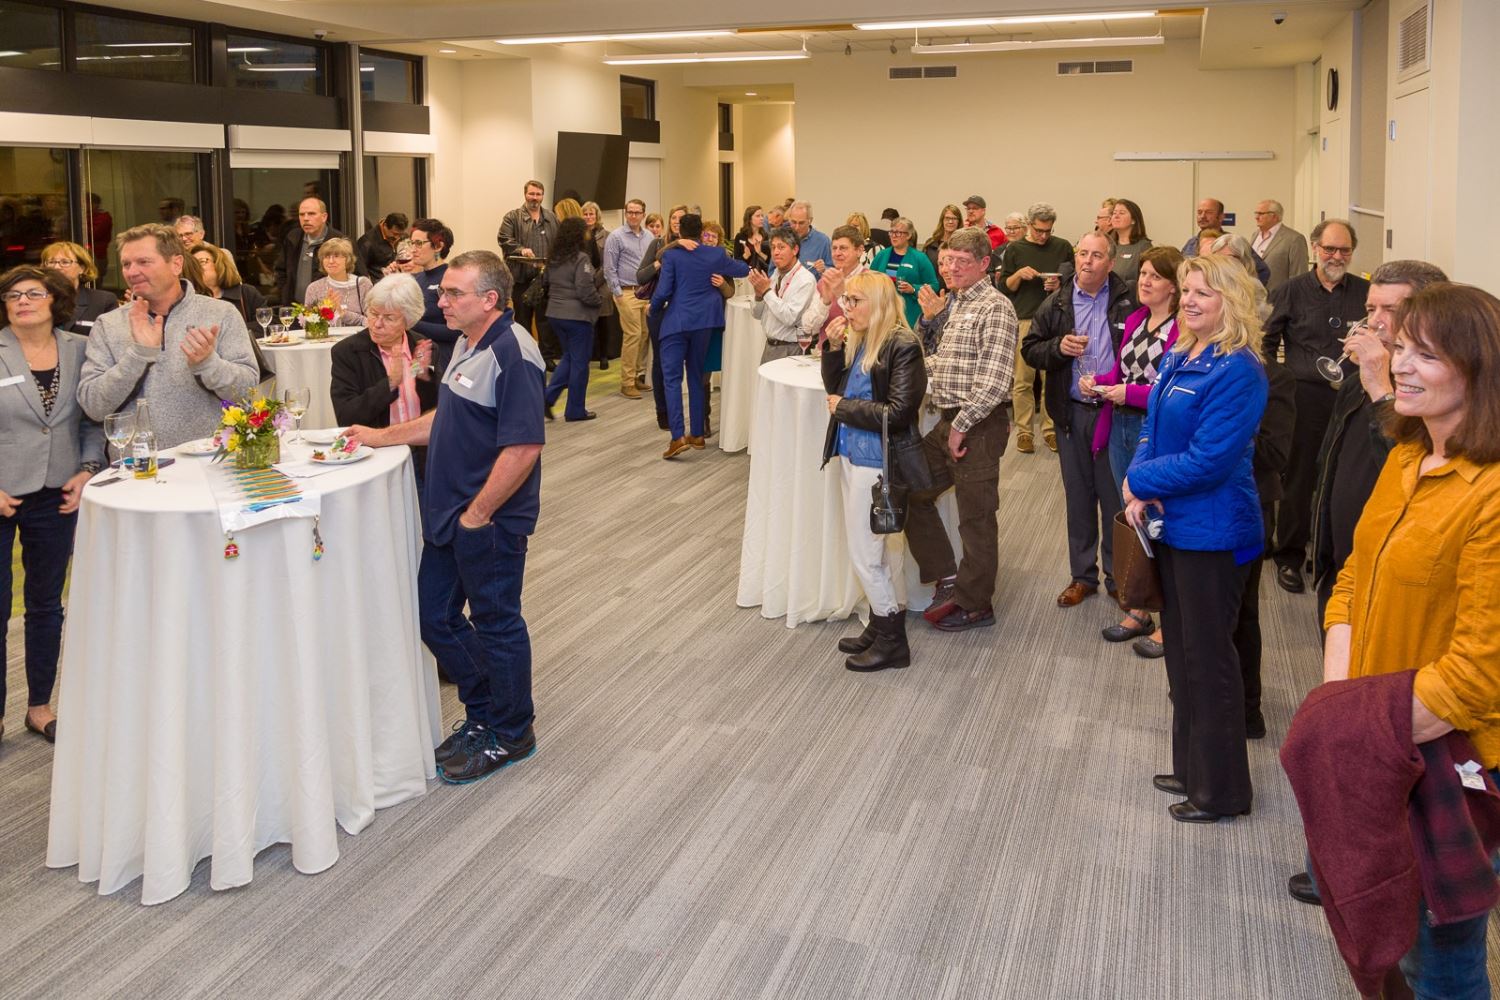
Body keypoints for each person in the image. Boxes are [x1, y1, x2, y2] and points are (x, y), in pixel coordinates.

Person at [1318, 282, 1500, 993]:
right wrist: (1341, 706)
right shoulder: (1405, 455)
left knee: (1442, 954)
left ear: (1478, 369)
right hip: (1386, 739)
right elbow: (1354, 581)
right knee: (1390, 934)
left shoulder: (1489, 492)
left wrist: (1363, 736)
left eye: (1427, 354)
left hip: (1453, 760)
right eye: (1401, 348)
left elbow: (1477, 676)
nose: (1400, 366)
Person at [343, 250, 545, 785]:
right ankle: (484, 713)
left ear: (489, 300)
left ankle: (511, 731)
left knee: (497, 624)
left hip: (489, 521)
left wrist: (478, 515)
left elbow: (523, 447)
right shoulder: (465, 343)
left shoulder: (513, 353)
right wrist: (380, 435)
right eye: (443, 291)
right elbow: (447, 419)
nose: (440, 299)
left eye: (453, 293)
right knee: (435, 616)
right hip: (451, 512)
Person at [1123, 254, 1268, 824]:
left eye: (1203, 293)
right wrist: (1139, 477)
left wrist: (1140, 481)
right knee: (1182, 656)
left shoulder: (1239, 369)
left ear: (1231, 302)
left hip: (1215, 532)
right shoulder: (1184, 353)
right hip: (1176, 528)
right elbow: (1150, 431)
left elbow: (1210, 461)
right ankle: (1191, 769)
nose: (1188, 300)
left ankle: (1224, 791)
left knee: (1210, 663)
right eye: (1186, 290)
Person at [1308, 259, 1449, 622]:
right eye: (1372, 308)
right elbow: (1329, 462)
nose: (1375, 321)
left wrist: (1380, 386)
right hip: (1342, 565)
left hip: (1391, 577)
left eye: (1392, 309)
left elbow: (1406, 466)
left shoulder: (1434, 395)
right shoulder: (1357, 380)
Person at [0, 265, 105, 745]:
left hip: (58, 492)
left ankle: (39, 706)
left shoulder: (80, 349)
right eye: (13, 295)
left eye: (33, 293)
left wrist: (86, 469)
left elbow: (92, 419)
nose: (22, 301)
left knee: (46, 605)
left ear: (54, 299)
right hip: (1, 493)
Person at [906, 227, 1019, 632]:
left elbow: (993, 382)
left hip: (978, 426)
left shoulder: (995, 307)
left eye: (961, 262)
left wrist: (962, 427)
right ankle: (948, 575)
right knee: (908, 487)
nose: (950, 268)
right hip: (949, 419)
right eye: (946, 260)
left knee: (976, 518)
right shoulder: (954, 303)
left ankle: (976, 605)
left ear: (984, 264)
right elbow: (942, 362)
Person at [1023, 232, 1136, 611]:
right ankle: (1082, 577)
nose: (1087, 261)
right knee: (1078, 499)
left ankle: (1118, 579)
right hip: (1071, 414)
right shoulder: (1056, 301)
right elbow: (1030, 348)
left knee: (1113, 497)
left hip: (1115, 415)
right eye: (1082, 253)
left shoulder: (1127, 299)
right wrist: (1058, 348)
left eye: (1096, 255)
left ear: (1111, 261)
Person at [820, 273, 927, 671]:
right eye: (845, 300)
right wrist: (832, 348)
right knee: (872, 552)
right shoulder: (865, 338)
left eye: (854, 301)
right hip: (853, 454)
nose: (846, 309)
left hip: (877, 464)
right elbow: (836, 387)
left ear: (879, 302)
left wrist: (843, 409)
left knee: (867, 555)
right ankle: (881, 625)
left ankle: (892, 641)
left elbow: (898, 414)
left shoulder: (902, 345)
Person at [77, 224, 259, 449]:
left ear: (176, 264)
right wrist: (137, 356)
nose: (131, 272)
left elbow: (246, 393)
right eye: (126, 264)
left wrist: (209, 364)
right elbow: (94, 406)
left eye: (144, 262)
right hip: (139, 470)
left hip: (210, 461)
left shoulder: (221, 314)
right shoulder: (109, 324)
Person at [1083, 245, 1184, 645]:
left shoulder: (1182, 329)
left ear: (1175, 287)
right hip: (1121, 425)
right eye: (1142, 273)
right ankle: (1140, 609)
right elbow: (1122, 369)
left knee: (1162, 519)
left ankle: (1169, 622)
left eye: (1155, 276)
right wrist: (1098, 383)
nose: (1144, 281)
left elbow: (1168, 389)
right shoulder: (1137, 317)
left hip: (1157, 430)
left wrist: (1129, 393)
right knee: (1133, 517)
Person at [1264, 218, 1370, 595]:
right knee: (1299, 478)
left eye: (1344, 250)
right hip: (1303, 398)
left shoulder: (1365, 293)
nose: (1336, 256)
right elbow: (1265, 340)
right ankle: (1289, 556)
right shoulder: (1290, 291)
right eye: (1330, 249)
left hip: (1355, 397)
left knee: (1345, 478)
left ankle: (1335, 557)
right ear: (1314, 249)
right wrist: (1278, 382)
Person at [651, 213, 750, 457]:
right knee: (696, 376)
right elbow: (742, 270)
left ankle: (677, 437)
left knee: (672, 379)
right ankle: (697, 434)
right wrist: (745, 259)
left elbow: (663, 291)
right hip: (706, 323)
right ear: (700, 231)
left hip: (676, 322)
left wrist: (652, 309)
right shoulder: (715, 254)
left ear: (680, 233)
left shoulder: (672, 255)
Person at [330, 273, 438, 485]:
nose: (377, 324)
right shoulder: (348, 352)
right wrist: (390, 383)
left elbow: (436, 409)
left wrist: (423, 377)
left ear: (408, 320)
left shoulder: (424, 347)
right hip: (376, 456)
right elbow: (346, 416)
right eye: (373, 313)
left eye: (389, 318)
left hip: (421, 455)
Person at [999, 202, 1073, 454]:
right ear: (1029, 226)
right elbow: (1005, 286)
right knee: (1023, 380)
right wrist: (1019, 274)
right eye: (1039, 230)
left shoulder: (1063, 247)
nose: (1043, 236)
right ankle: (1024, 431)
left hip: (1055, 319)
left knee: (1051, 378)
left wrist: (1059, 286)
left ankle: (1050, 430)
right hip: (1026, 319)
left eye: (1048, 231)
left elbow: (1073, 283)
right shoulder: (1015, 249)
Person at [543, 216, 606, 423]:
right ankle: (575, 410)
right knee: (580, 365)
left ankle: (547, 398)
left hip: (555, 314)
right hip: (577, 318)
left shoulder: (553, 258)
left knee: (569, 358)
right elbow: (585, 289)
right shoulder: (581, 259)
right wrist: (598, 301)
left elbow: (546, 283)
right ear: (579, 235)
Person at [496, 179, 560, 369]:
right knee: (523, 320)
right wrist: (520, 249)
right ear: (525, 194)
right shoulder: (512, 217)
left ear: (543, 196)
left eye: (538, 194)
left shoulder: (551, 217)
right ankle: (526, 356)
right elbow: (503, 239)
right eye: (531, 194)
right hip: (521, 278)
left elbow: (558, 242)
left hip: (544, 278)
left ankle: (546, 358)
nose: (534, 198)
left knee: (545, 321)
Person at [604, 199, 654, 397]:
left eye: (637, 212)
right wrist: (618, 294)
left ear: (643, 214)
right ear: (626, 214)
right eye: (630, 212)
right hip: (626, 292)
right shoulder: (616, 237)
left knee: (644, 334)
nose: (633, 215)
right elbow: (609, 268)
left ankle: (637, 376)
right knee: (633, 335)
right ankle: (626, 382)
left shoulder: (649, 236)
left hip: (646, 292)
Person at [746, 228, 817, 364]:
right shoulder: (776, 274)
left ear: (795, 250)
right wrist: (759, 295)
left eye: (781, 247)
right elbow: (757, 314)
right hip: (770, 346)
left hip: (790, 349)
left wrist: (767, 292)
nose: (775, 252)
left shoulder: (805, 280)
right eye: (773, 248)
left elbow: (789, 317)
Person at [276, 197, 354, 307]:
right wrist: (285, 294)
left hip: (328, 312)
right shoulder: (293, 238)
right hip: (294, 309)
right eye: (302, 214)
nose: (306, 218)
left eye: (311, 214)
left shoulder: (340, 241)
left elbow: (354, 275)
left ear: (324, 217)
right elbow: (280, 271)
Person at [800, 225, 868, 349]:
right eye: (834, 248)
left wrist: (841, 294)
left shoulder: (872, 281)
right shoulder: (824, 281)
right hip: (827, 356)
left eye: (843, 248)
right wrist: (825, 302)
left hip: (859, 355)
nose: (837, 253)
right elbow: (808, 328)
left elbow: (867, 323)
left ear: (859, 250)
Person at [406, 218, 457, 376]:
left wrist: (411, 323)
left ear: (438, 246)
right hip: (418, 356)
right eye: (411, 243)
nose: (413, 249)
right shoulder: (417, 278)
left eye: (419, 244)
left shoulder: (450, 278)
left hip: (442, 359)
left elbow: (456, 331)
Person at [869, 216, 938, 330]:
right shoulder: (881, 255)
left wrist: (914, 289)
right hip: (884, 314)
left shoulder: (920, 258)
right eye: (892, 232)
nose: (894, 236)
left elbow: (934, 285)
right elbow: (870, 281)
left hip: (909, 315)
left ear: (909, 235)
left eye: (899, 232)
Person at [190, 241, 267, 335]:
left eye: (201, 262)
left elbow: (267, 324)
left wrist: (229, 332)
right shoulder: (191, 300)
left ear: (219, 264)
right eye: (192, 265)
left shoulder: (245, 293)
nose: (196, 268)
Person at [40, 241, 117, 335]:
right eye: (51, 262)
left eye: (65, 262)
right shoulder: (36, 299)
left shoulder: (103, 301)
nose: (56, 267)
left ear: (82, 268)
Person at [579, 201, 617, 369]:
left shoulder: (607, 236)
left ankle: (603, 355)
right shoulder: (578, 235)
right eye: (585, 214)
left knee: (603, 323)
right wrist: (586, 281)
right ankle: (587, 354)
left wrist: (595, 281)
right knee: (586, 324)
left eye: (591, 214)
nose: (588, 217)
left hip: (602, 284)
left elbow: (608, 263)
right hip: (582, 284)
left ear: (597, 216)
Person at [304, 237, 373, 326]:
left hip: (356, 339)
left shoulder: (363, 284)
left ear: (347, 260)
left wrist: (342, 313)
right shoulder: (314, 288)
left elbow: (373, 322)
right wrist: (325, 311)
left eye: (336, 256)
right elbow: (307, 325)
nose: (331, 261)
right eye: (327, 257)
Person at [1251, 199, 1309, 292]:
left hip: (1279, 299)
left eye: (1261, 214)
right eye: (1256, 213)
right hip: (1254, 297)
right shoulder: (1255, 235)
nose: (1256, 217)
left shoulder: (1294, 239)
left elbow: (1299, 274)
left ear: (1274, 216)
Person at [1107, 198, 1152, 286]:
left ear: (1133, 220)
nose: (1116, 216)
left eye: (1121, 213)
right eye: (1114, 213)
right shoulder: (1108, 245)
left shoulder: (1144, 247)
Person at [355, 212, 408, 277]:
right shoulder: (367, 242)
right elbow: (360, 270)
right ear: (385, 226)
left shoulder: (401, 238)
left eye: (400, 234)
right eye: (395, 234)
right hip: (378, 283)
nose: (397, 237)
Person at [786, 201, 832, 275]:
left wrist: (824, 269)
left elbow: (833, 270)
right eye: (794, 222)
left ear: (810, 220)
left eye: (801, 223)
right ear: (789, 219)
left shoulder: (823, 241)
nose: (797, 227)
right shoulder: (782, 238)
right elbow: (772, 271)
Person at [923, 205, 963, 288]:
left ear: (959, 221)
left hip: (954, 291)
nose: (950, 222)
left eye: (954, 218)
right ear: (942, 220)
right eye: (947, 218)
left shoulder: (962, 245)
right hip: (931, 290)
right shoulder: (930, 244)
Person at [733, 205, 770, 273]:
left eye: (762, 215)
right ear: (749, 219)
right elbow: (736, 262)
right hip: (745, 276)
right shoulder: (740, 236)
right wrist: (745, 256)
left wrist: (760, 253)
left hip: (763, 276)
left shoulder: (766, 237)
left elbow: (770, 261)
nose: (762, 218)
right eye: (758, 216)